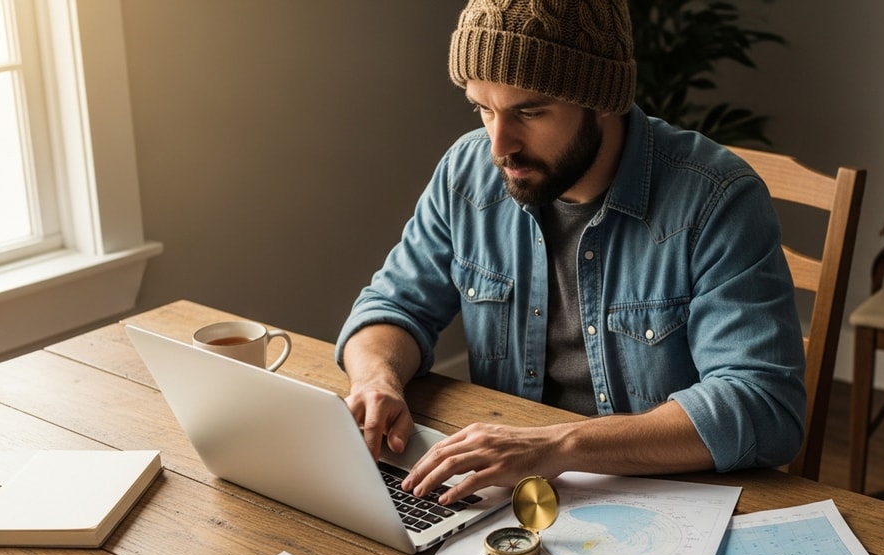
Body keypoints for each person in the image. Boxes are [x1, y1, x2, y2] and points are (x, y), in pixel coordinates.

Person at [335, 0, 806, 505]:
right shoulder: (467, 173)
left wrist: (559, 444)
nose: (499, 145)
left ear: (602, 100)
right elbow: (394, 306)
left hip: (666, 503)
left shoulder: (717, 199)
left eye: (529, 111)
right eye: (483, 108)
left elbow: (762, 405)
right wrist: (376, 380)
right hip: (507, 492)